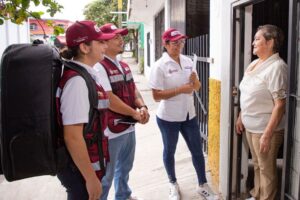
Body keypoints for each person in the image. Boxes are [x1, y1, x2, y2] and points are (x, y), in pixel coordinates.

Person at [149, 28, 218, 200]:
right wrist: (181, 89)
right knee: (169, 151)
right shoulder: (160, 66)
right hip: (168, 118)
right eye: (175, 43)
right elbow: (156, 96)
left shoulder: (187, 61)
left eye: (181, 42)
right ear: (165, 44)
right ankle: (173, 184)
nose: (179, 45)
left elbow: (197, 87)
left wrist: (195, 82)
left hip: (189, 115)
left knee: (197, 151)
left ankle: (202, 184)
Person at [56, 20, 115, 200]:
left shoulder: (86, 75)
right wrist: (90, 178)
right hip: (79, 172)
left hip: (87, 165)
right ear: (84, 47)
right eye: (100, 42)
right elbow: (72, 136)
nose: (105, 45)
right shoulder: (77, 82)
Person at [93, 23, 150, 200]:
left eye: (121, 36)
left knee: (125, 168)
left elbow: (133, 90)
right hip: (111, 131)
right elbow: (109, 99)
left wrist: (142, 107)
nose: (121, 39)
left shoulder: (124, 65)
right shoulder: (99, 67)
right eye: (116, 37)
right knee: (107, 176)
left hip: (128, 127)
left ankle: (123, 195)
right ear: (104, 41)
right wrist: (134, 114)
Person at [236, 24, 287, 200]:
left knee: (267, 170)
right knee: (257, 164)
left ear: (270, 42)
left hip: (266, 129)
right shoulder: (255, 63)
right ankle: (257, 194)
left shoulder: (277, 67)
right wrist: (241, 115)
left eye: (257, 39)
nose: (253, 42)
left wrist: (267, 134)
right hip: (251, 126)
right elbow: (248, 91)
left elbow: (280, 105)